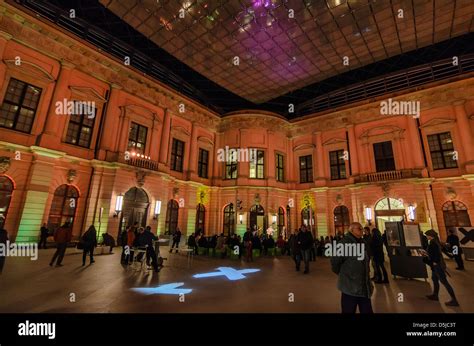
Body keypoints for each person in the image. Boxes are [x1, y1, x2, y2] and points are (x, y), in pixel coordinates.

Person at [331, 222, 374, 313]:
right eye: (359, 228)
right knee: (348, 310)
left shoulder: (363, 242)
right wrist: (345, 274)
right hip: (349, 286)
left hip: (364, 286)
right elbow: (335, 262)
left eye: (362, 228)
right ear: (351, 230)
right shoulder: (344, 243)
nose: (362, 230)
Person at [423, 229, 459, 306]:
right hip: (435, 265)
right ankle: (435, 295)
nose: (426, 236)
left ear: (431, 236)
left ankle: (454, 300)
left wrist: (434, 262)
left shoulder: (433, 243)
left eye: (427, 235)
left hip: (437, 266)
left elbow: (436, 255)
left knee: (444, 282)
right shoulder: (435, 242)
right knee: (434, 279)